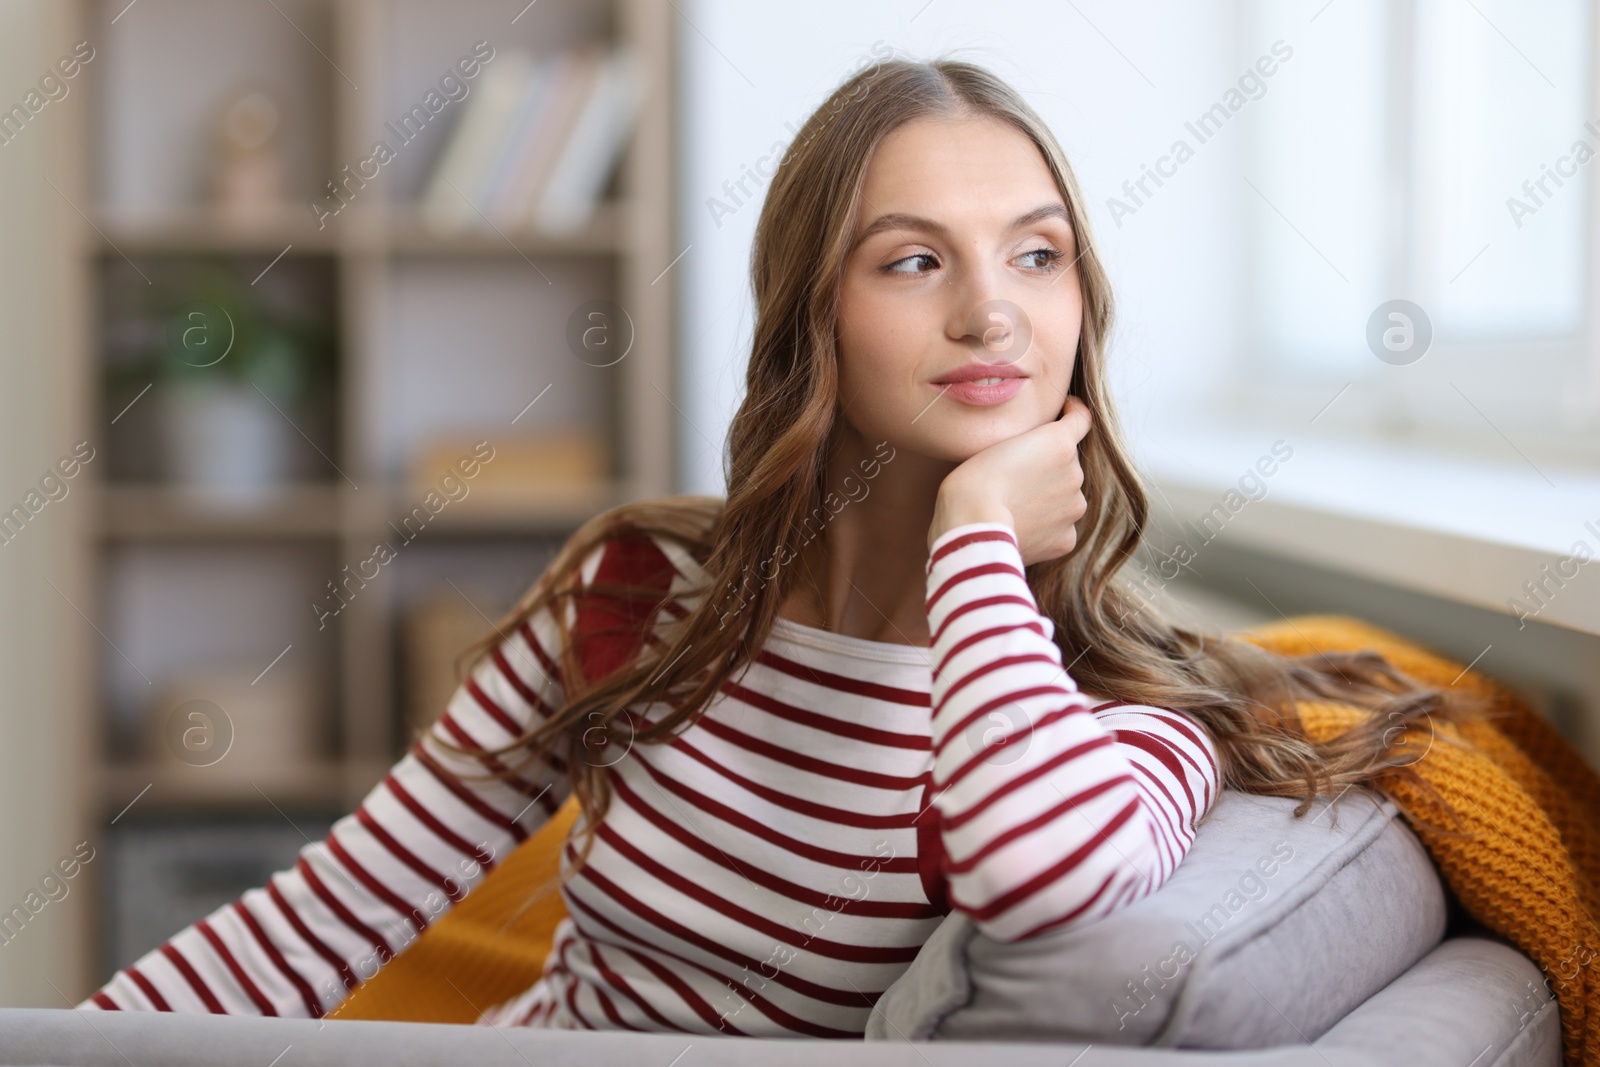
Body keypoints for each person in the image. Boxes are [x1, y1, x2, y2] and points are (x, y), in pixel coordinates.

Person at [81, 56, 1481, 1037]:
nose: (993, 313)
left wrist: (977, 533)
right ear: (814, 314)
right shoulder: (636, 593)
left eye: (1037, 255)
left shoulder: (1114, 720)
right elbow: (331, 912)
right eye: (915, 260)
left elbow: (1036, 876)